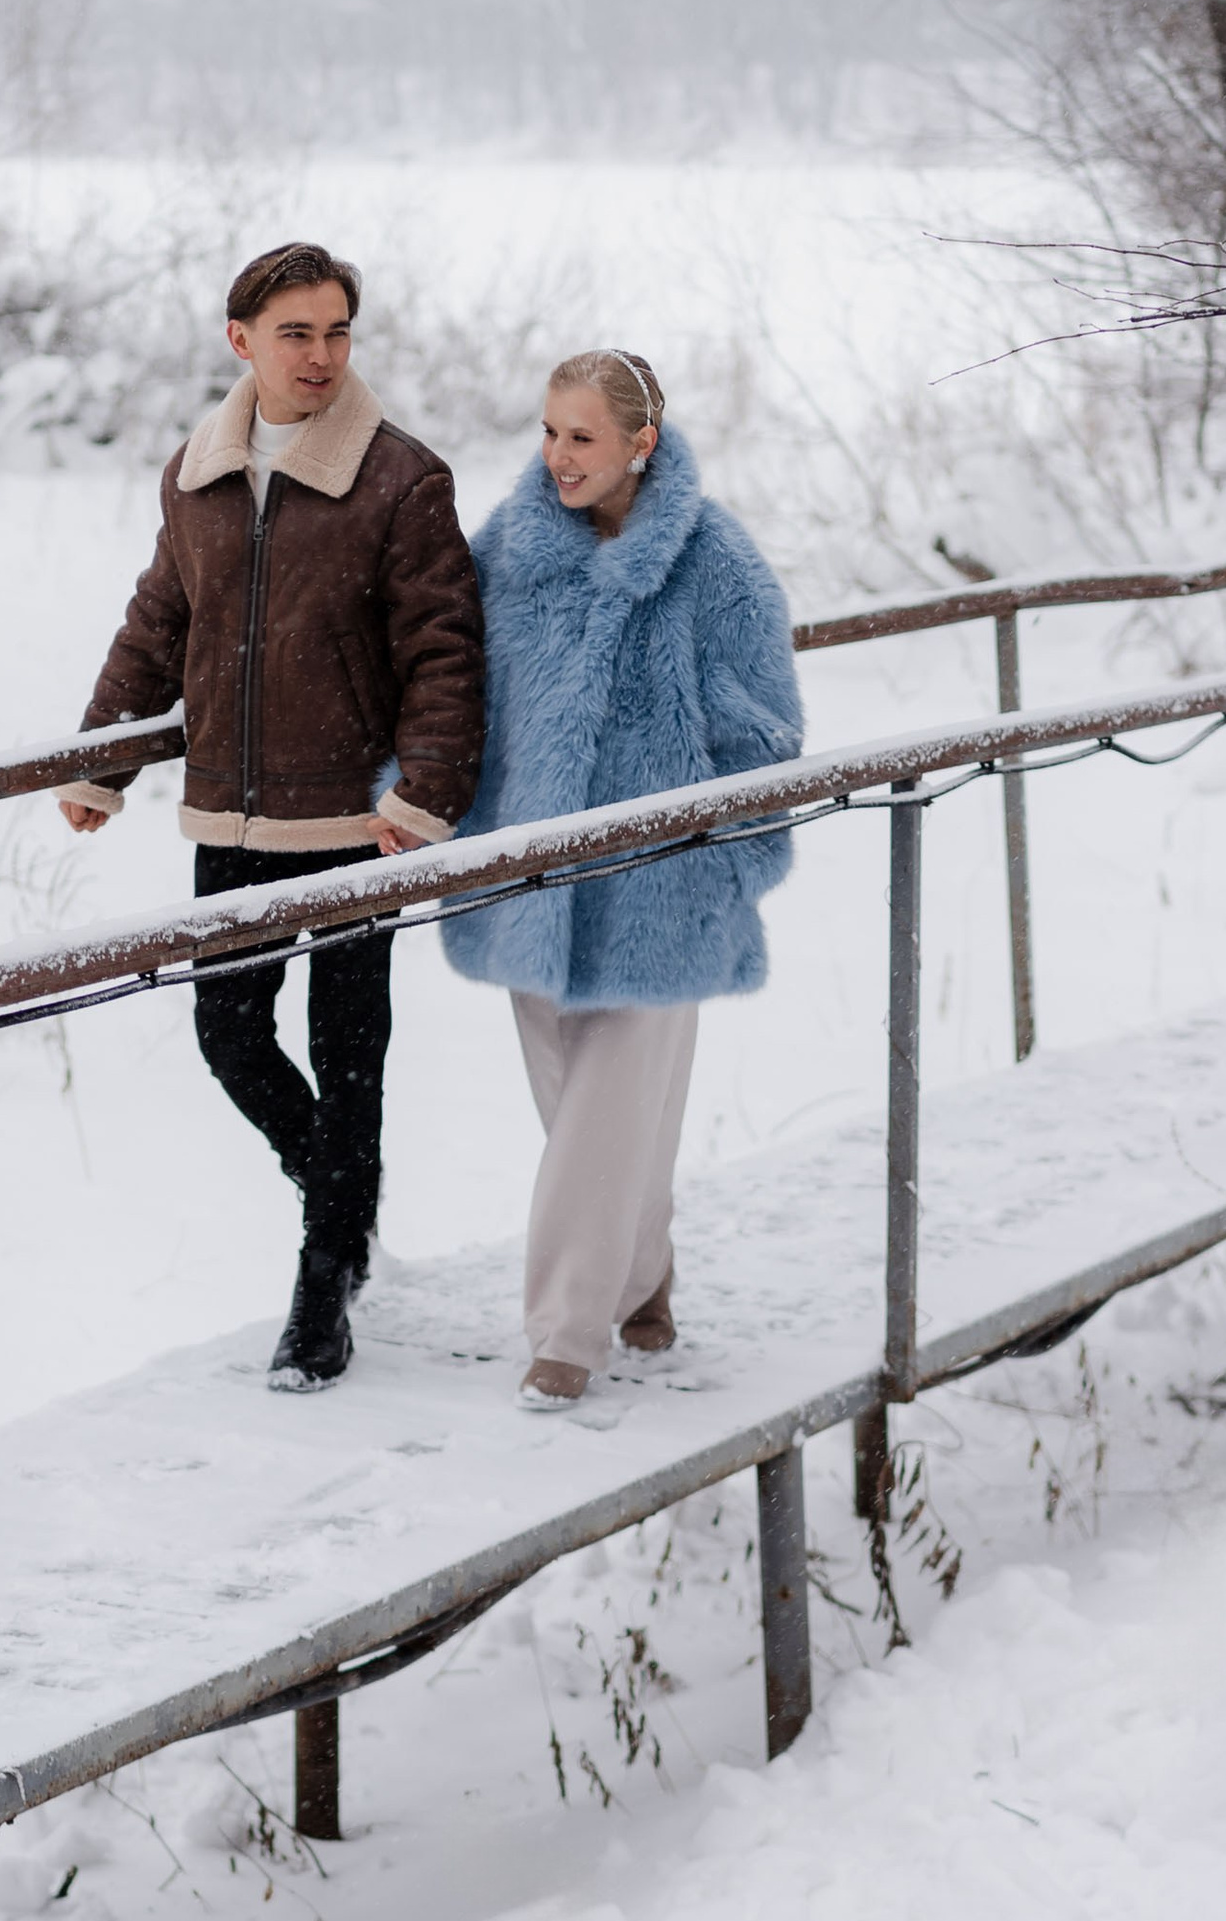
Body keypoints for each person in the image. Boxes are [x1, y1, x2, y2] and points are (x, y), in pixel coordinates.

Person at [60, 242, 485, 1389]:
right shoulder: (197, 474)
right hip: (230, 819)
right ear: (241, 340)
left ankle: (320, 1290)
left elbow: (445, 652)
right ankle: (343, 1208)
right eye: (296, 333)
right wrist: (103, 760)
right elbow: (161, 622)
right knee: (229, 1033)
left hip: (356, 822)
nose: (321, 355)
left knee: (349, 1058)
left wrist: (425, 796)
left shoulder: (403, 479)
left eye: (338, 331)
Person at [445, 349, 802, 1410]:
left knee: (603, 1118)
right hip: (527, 884)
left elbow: (765, 732)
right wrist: (420, 799)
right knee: (587, 1117)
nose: (559, 457)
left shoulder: (716, 563)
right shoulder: (505, 550)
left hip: (663, 890)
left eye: (583, 438)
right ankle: (641, 1279)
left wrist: (732, 861)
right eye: (550, 432)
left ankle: (565, 1335)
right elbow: (453, 692)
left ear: (640, 444)